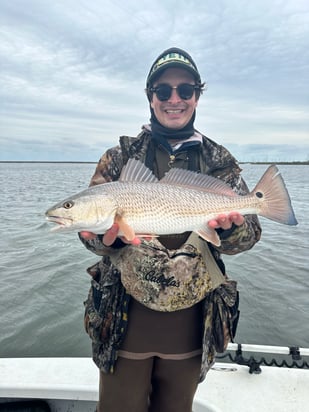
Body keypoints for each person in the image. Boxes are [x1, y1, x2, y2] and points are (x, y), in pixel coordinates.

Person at [79, 47, 262, 412]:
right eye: (163, 91)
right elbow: (90, 235)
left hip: (193, 322)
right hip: (122, 319)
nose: (174, 99)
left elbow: (250, 236)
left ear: (197, 96)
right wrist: (101, 237)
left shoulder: (219, 162)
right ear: (150, 97)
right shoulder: (119, 157)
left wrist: (226, 231)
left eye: (186, 90)